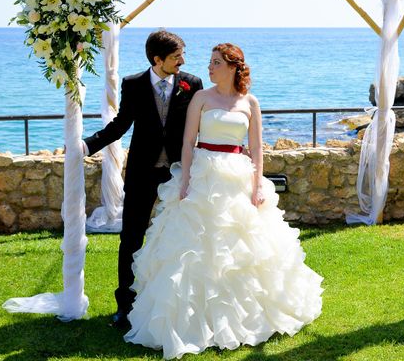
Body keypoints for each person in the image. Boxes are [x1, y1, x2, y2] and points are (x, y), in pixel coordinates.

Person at [124, 43, 323, 358]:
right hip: (204, 172)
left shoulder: (250, 102)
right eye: (209, 62)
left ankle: (244, 317)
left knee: (241, 247)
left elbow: (257, 148)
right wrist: (186, 180)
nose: (209, 67)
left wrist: (258, 185)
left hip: (237, 175)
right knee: (194, 246)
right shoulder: (201, 99)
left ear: (232, 67)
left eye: (215, 62)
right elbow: (189, 142)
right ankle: (190, 319)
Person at [83, 30, 203, 328]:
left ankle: (177, 303)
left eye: (182, 56)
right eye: (176, 57)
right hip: (141, 173)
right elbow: (121, 123)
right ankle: (125, 305)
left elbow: (200, 123)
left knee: (181, 237)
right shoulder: (133, 84)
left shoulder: (193, 83)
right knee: (131, 238)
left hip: (178, 172)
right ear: (157, 59)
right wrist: (87, 146)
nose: (182, 61)